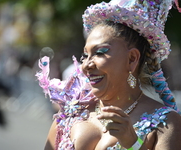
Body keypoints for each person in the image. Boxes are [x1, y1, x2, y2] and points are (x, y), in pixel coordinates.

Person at [36, 0, 181, 149]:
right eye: (85, 55)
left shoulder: (166, 122)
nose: (86, 65)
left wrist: (133, 144)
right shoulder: (70, 114)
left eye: (99, 53)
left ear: (132, 59)